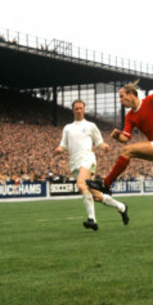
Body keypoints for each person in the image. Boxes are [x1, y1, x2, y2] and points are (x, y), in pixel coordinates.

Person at [86, 61, 153, 194]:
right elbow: (125, 138)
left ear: (131, 94)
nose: (120, 100)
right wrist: (117, 136)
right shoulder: (130, 116)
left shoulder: (150, 101)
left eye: (122, 96)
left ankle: (106, 183)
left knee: (128, 151)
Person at [54, 99, 129, 231]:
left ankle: (92, 219)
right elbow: (63, 145)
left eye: (80, 108)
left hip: (87, 158)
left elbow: (99, 142)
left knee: (81, 185)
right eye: (76, 108)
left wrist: (104, 146)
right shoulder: (68, 128)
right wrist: (59, 150)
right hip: (75, 162)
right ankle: (122, 207)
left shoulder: (90, 125)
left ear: (84, 109)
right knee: (97, 196)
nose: (78, 110)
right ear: (73, 110)